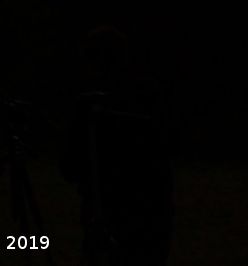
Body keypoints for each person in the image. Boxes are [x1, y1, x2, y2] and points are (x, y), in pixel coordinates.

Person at [60, 26, 178, 266]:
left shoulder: (89, 103)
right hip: (152, 207)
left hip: (107, 208)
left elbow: (69, 166)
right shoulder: (151, 93)